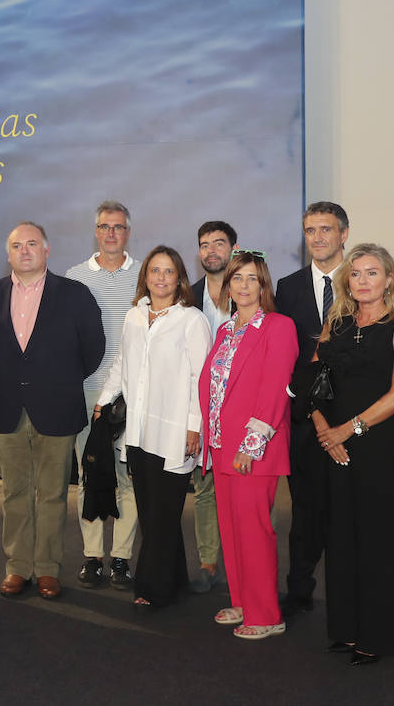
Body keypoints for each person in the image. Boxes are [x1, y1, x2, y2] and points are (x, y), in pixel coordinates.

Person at [0, 222, 104, 600]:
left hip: (58, 407)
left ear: (47, 251)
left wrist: (60, 381)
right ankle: (17, 567)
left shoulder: (75, 294)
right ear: (8, 254)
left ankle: (47, 569)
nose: (25, 250)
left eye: (32, 244)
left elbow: (93, 348)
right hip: (7, 409)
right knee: (14, 493)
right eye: (17, 245)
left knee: (52, 495)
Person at [307, 244, 394, 665]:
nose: (364, 280)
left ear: (388, 278)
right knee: (340, 536)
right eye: (356, 274)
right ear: (347, 281)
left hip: (377, 447)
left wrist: (347, 431)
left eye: (373, 273)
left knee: (377, 539)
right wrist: (324, 431)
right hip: (332, 446)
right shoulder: (335, 323)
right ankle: (346, 629)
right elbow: (312, 381)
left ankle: (378, 634)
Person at [95, 246, 211, 607]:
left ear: (180, 278)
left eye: (169, 272)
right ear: (145, 276)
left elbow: (201, 377)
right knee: (151, 513)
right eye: (154, 271)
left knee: (163, 512)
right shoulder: (133, 316)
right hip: (139, 432)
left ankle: (151, 587)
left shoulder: (192, 320)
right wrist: (103, 400)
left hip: (176, 432)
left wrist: (195, 426)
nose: (161, 278)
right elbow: (120, 364)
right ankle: (173, 578)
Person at [198, 250, 297, 640]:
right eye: (236, 278)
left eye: (251, 279)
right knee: (232, 528)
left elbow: (275, 391)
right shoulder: (225, 331)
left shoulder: (278, 326)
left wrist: (250, 445)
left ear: (263, 285)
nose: (243, 285)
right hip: (222, 446)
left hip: (253, 449)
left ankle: (267, 614)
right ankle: (242, 602)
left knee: (255, 531)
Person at [273, 201, 349, 617]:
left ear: (343, 234)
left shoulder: (363, 280)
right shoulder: (287, 287)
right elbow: (285, 357)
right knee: (304, 510)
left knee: (348, 511)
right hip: (304, 417)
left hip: (356, 418)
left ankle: (348, 592)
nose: (317, 238)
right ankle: (298, 588)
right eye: (310, 230)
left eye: (325, 229)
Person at [64, 201, 141, 590]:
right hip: (89, 389)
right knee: (89, 471)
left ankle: (121, 559)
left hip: (133, 392)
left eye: (119, 227)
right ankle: (92, 556)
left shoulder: (146, 276)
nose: (111, 233)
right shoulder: (75, 277)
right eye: (105, 226)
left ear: (128, 232)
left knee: (128, 476)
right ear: (96, 231)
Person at [187, 220, 239, 593]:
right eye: (205, 244)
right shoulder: (186, 297)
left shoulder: (254, 293)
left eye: (219, 243)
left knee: (247, 485)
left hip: (244, 407)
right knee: (205, 488)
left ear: (234, 249)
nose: (211, 251)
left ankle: (247, 559)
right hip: (202, 406)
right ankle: (208, 562)